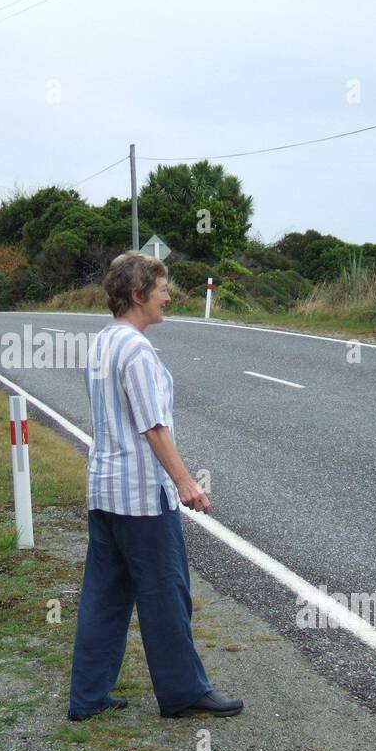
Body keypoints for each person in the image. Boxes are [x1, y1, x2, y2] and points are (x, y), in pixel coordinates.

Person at [67, 252, 243, 721]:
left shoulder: (103, 342)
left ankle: (88, 697)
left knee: (104, 597)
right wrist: (185, 483)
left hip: (104, 491)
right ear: (137, 294)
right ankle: (184, 692)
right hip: (141, 496)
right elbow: (153, 426)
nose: (169, 297)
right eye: (161, 288)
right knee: (166, 593)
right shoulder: (138, 351)